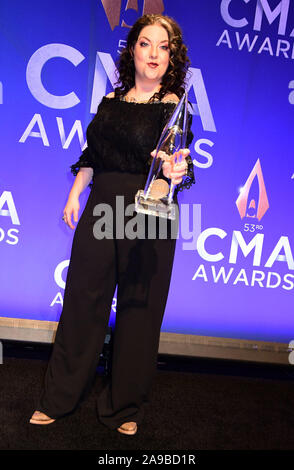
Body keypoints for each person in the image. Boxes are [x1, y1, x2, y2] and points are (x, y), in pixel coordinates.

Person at [29, 13, 195, 436]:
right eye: (146, 43)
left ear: (172, 56)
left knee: (139, 312)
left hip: (149, 213)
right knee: (83, 302)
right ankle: (59, 398)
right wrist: (75, 190)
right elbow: (94, 150)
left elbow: (177, 162)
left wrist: (173, 173)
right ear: (133, 50)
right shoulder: (112, 98)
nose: (154, 53)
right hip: (103, 205)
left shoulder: (176, 106)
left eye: (164, 46)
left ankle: (124, 407)